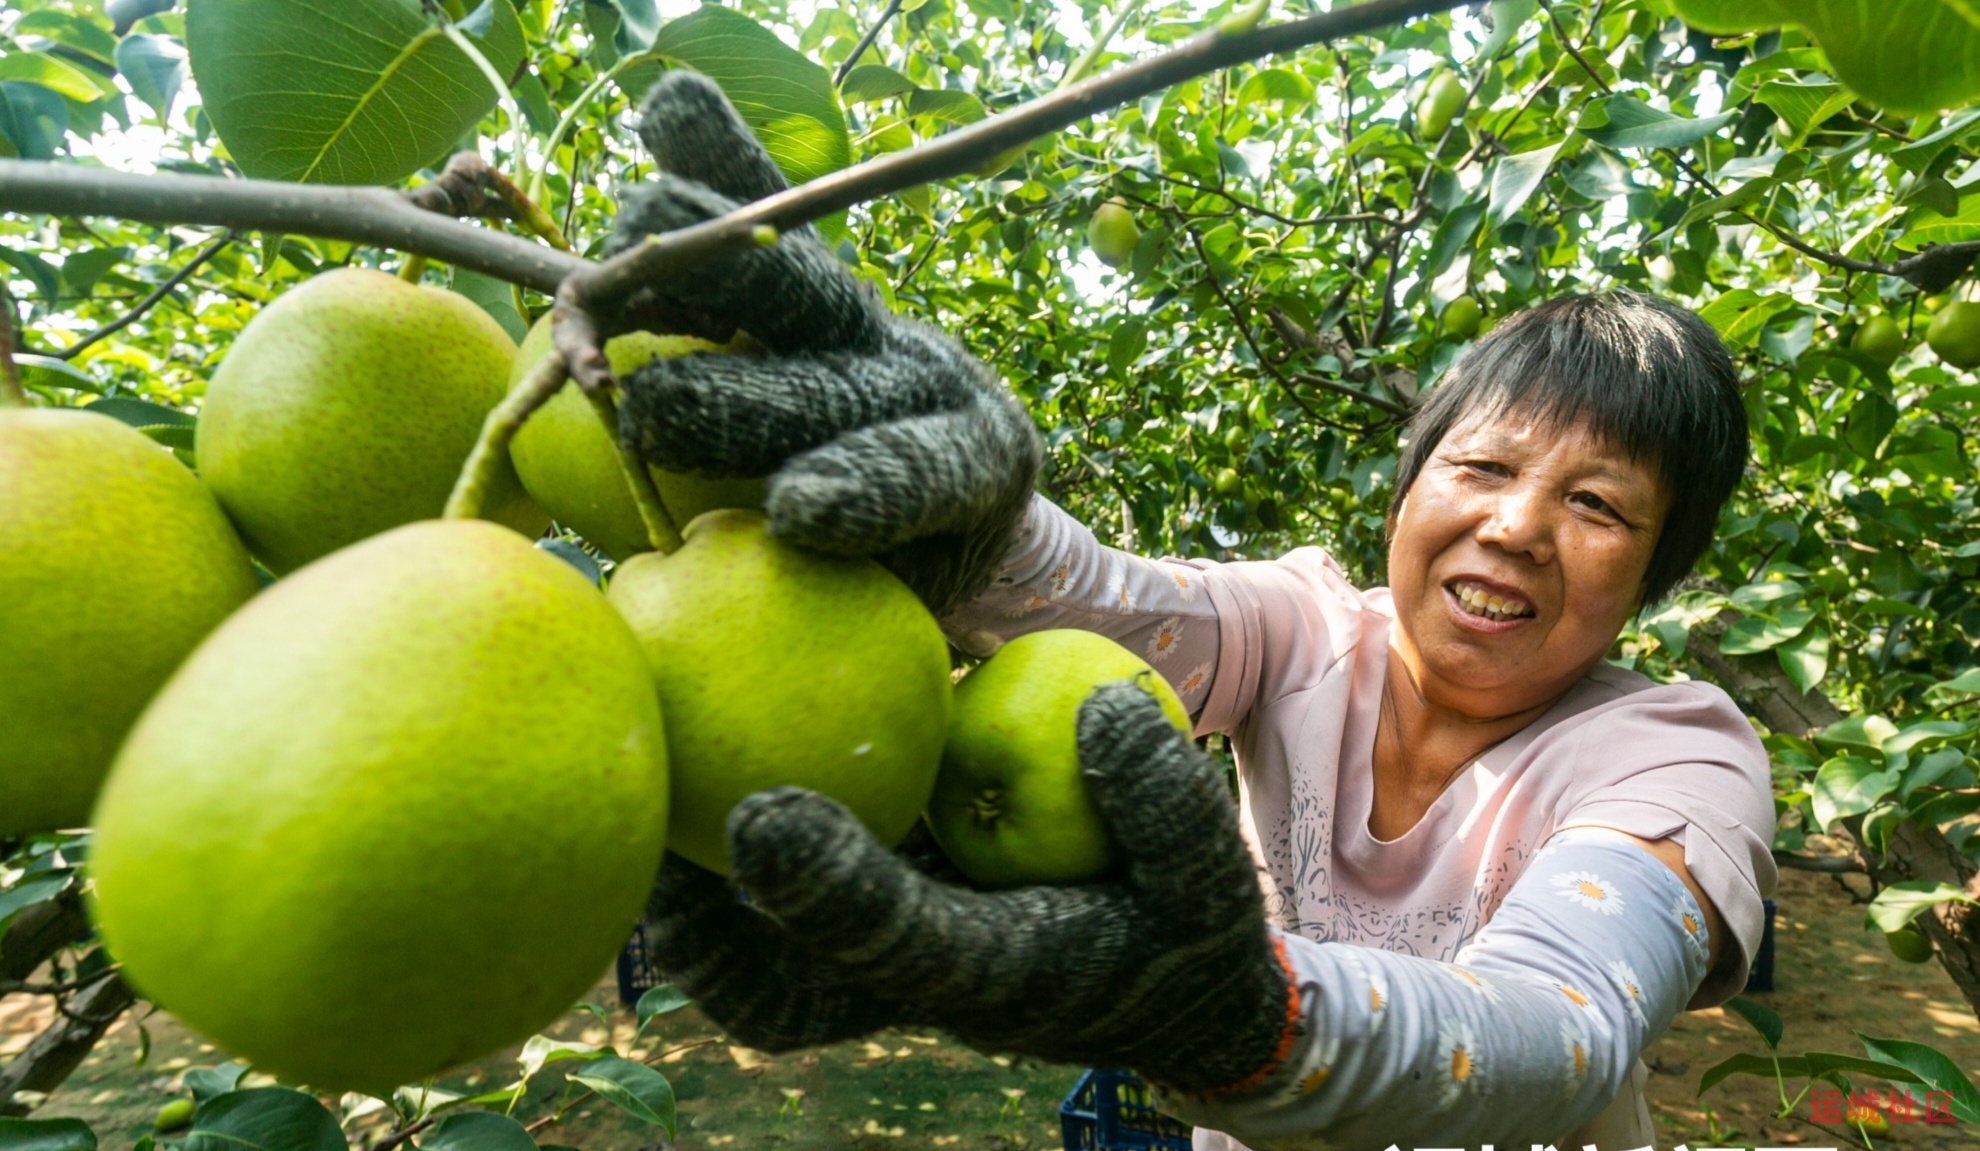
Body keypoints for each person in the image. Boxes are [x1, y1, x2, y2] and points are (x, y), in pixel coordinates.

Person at [607, 73, 1776, 1150]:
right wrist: (974, 509)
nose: (1517, 525)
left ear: (1656, 568)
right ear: (1409, 483)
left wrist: (1251, 1024)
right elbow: (1088, 605)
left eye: (1595, 504)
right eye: (1479, 468)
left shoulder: (1677, 757)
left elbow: (1563, 1025)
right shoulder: (1309, 630)